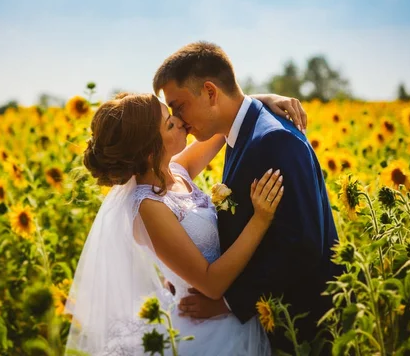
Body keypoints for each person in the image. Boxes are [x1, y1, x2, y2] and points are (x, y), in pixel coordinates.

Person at [64, 90, 308, 355]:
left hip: (228, 316)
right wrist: (260, 220)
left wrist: (265, 99)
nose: (180, 121)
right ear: (149, 151)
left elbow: (226, 121)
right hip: (207, 330)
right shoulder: (148, 207)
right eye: (170, 123)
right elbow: (211, 284)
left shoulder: (176, 171)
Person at [154, 41, 344, 353]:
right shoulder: (244, 130)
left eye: (180, 106)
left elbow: (301, 245)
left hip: (302, 329)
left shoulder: (273, 140)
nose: (180, 120)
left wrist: (228, 303)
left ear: (211, 92)